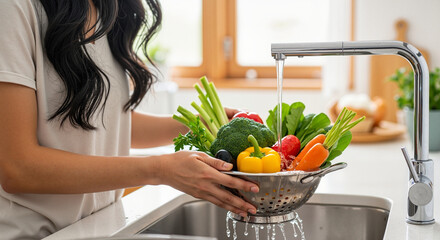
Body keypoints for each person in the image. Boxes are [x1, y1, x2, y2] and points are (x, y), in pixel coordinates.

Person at [0, 0, 259, 238]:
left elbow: (106, 123)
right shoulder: (14, 9)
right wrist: (158, 170)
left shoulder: (104, 9)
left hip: (98, 228)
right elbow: (17, 168)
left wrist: (196, 124)